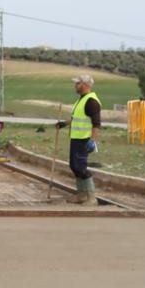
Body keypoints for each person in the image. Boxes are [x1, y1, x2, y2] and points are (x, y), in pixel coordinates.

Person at [56, 74, 101, 205]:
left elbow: (96, 124)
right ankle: (81, 195)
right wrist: (64, 124)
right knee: (74, 166)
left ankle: (91, 197)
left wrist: (93, 140)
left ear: (86, 85)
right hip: (76, 138)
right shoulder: (81, 100)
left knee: (80, 167)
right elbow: (76, 118)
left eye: (78, 83)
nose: (75, 85)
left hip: (84, 140)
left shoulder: (91, 102)